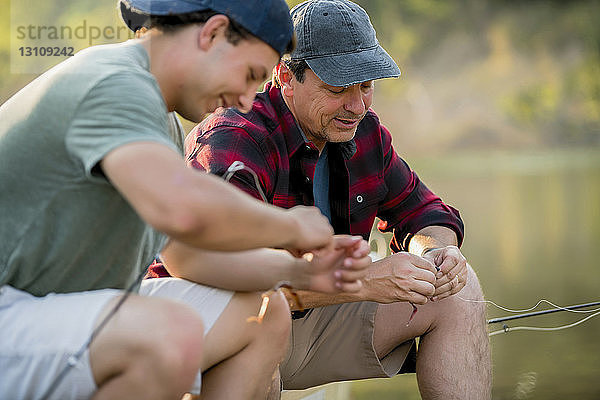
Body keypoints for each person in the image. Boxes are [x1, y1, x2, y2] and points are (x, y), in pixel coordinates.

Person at [0, 1, 369, 399]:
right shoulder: (113, 82)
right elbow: (181, 207)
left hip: (48, 312)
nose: (247, 99)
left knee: (262, 312)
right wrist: (292, 225)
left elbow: (187, 258)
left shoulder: (159, 121)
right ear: (212, 34)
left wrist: (302, 273)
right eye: (250, 75)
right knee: (165, 332)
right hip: (12, 310)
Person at [160, 0, 492, 398]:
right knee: (258, 313)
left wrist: (436, 253)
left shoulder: (363, 131)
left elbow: (424, 211)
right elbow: (230, 276)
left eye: (366, 86)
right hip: (224, 325)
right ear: (285, 75)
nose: (357, 107)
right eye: (337, 89)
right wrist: (365, 280)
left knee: (459, 289)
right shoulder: (235, 137)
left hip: (315, 319)